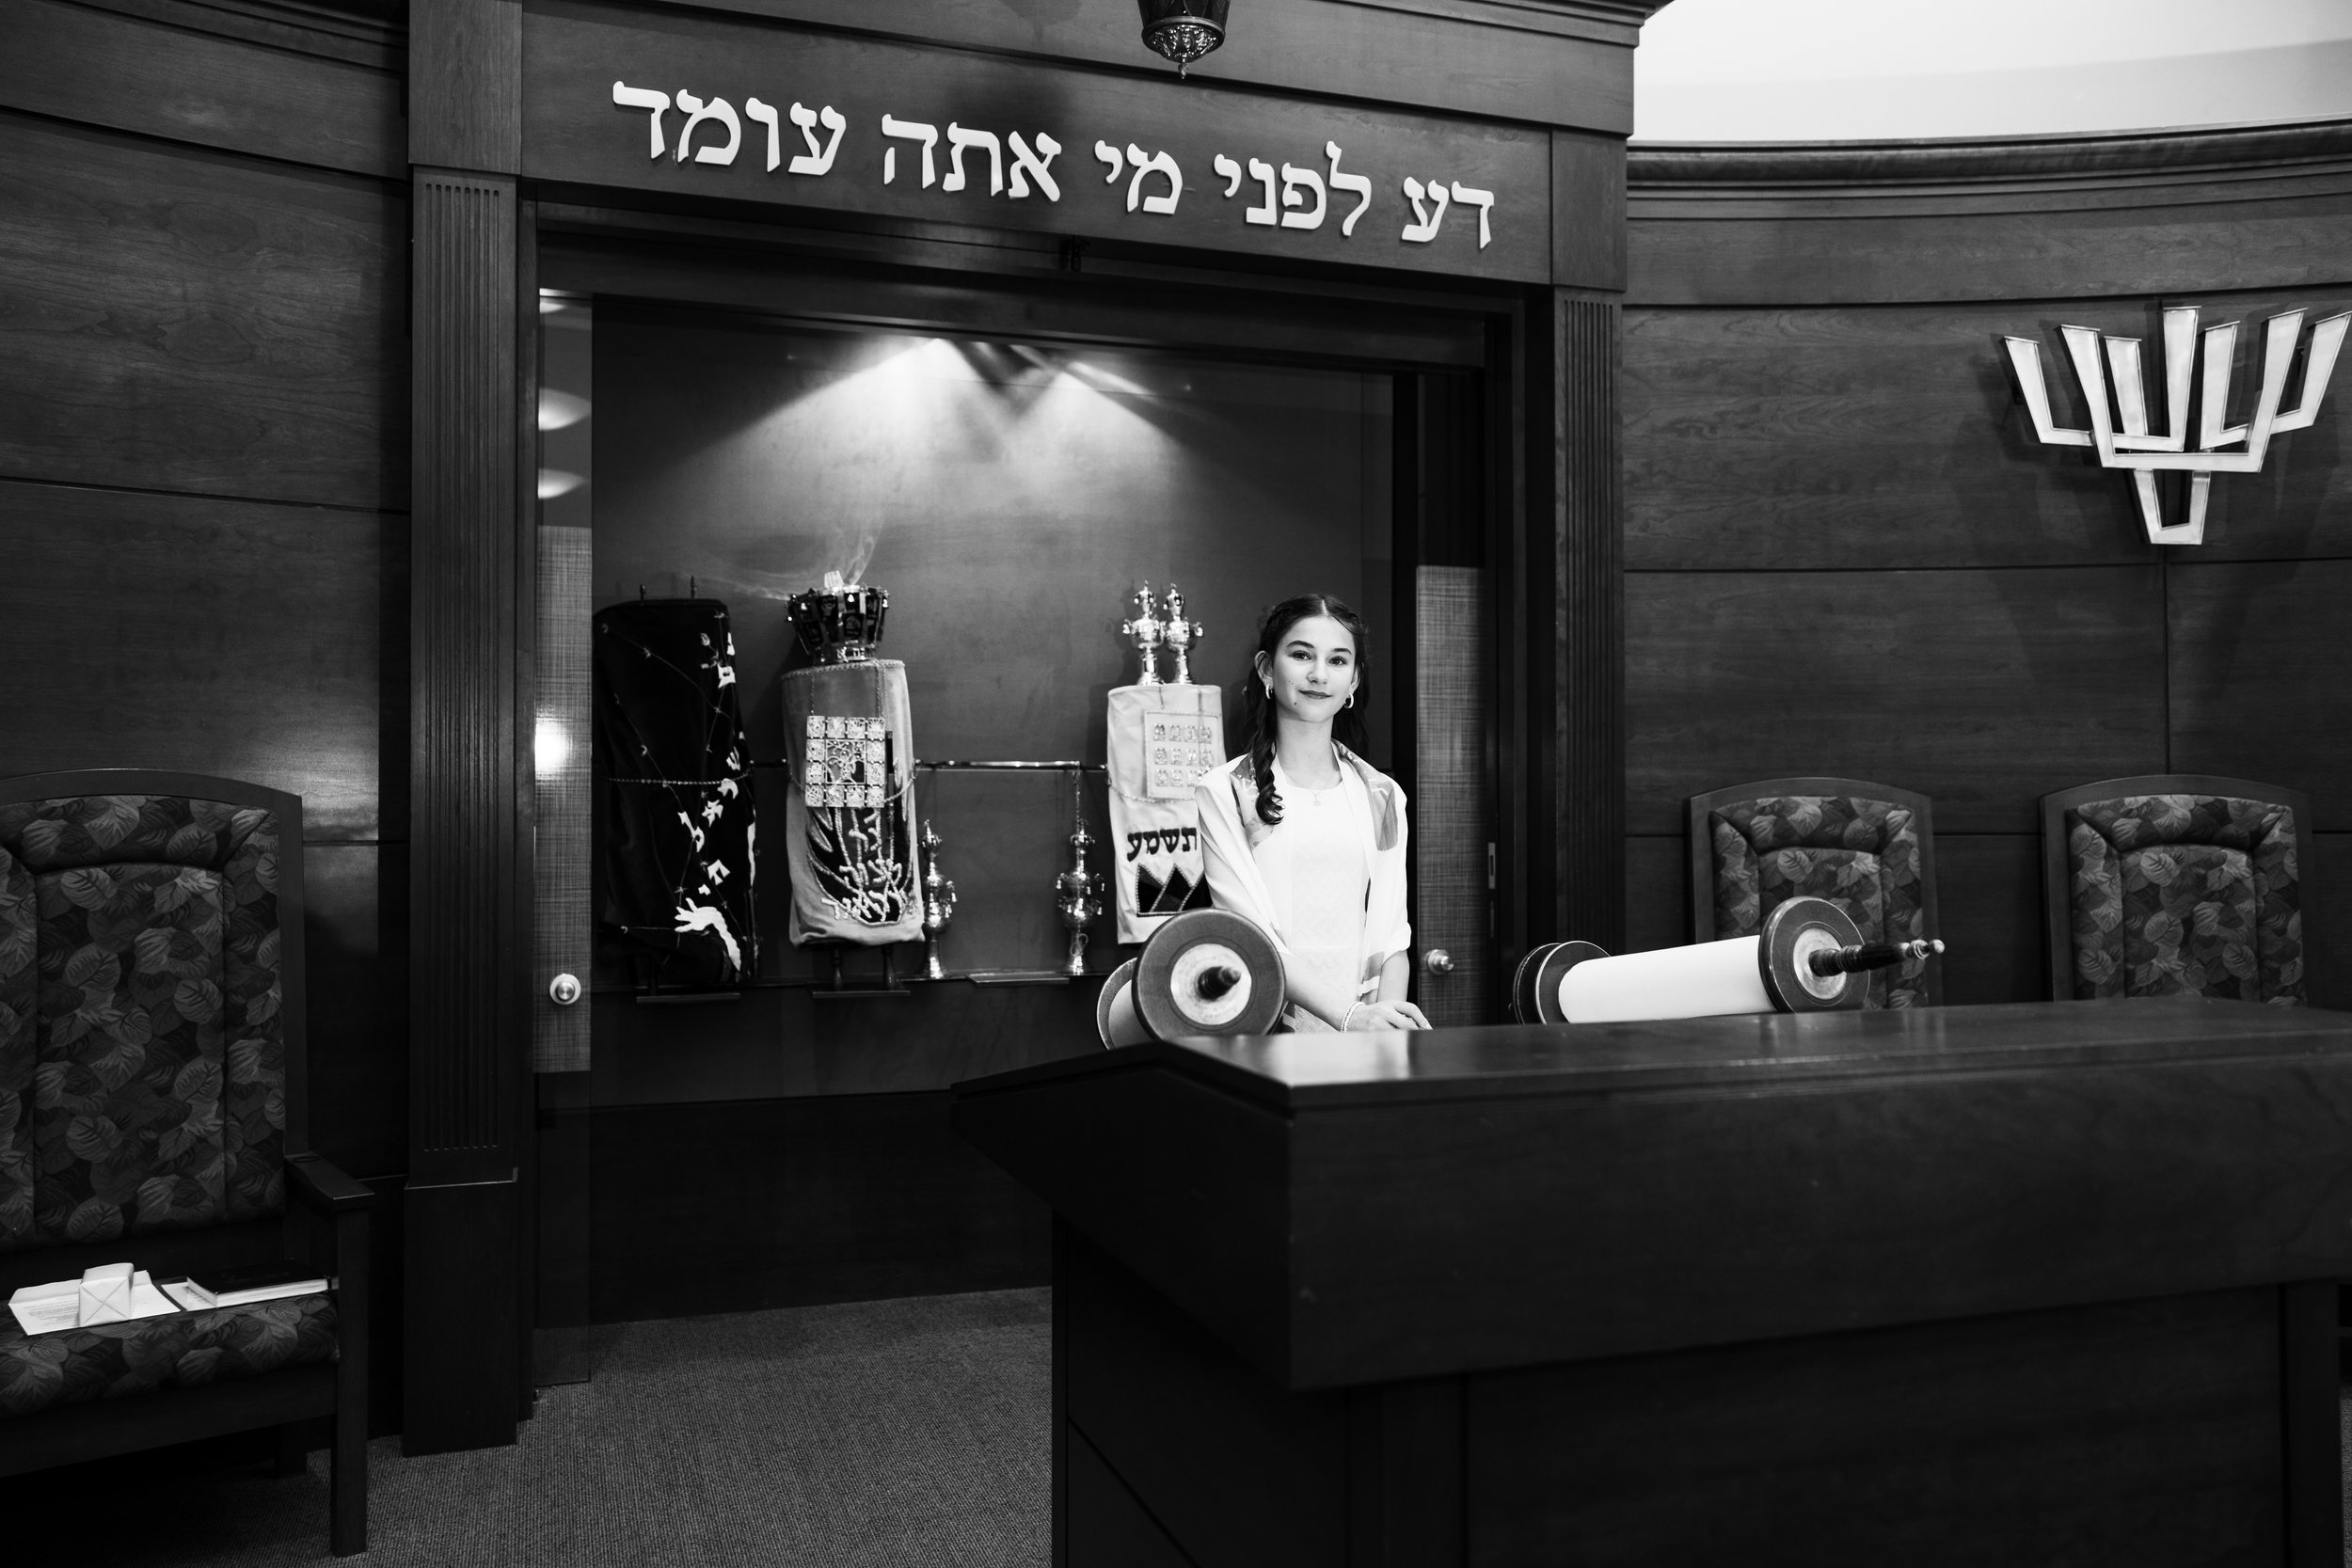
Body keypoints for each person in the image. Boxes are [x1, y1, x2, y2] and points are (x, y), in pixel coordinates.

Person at [1195, 594, 1430, 1033]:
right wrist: (1348, 1017)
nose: (1319, 675)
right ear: (1267, 668)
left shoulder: (1382, 794)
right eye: (1302, 655)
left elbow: (1393, 936)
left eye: (1338, 661)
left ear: (1354, 681)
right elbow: (1251, 935)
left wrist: (1381, 1025)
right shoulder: (1225, 791)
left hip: (1364, 1033)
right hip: (1264, 1028)